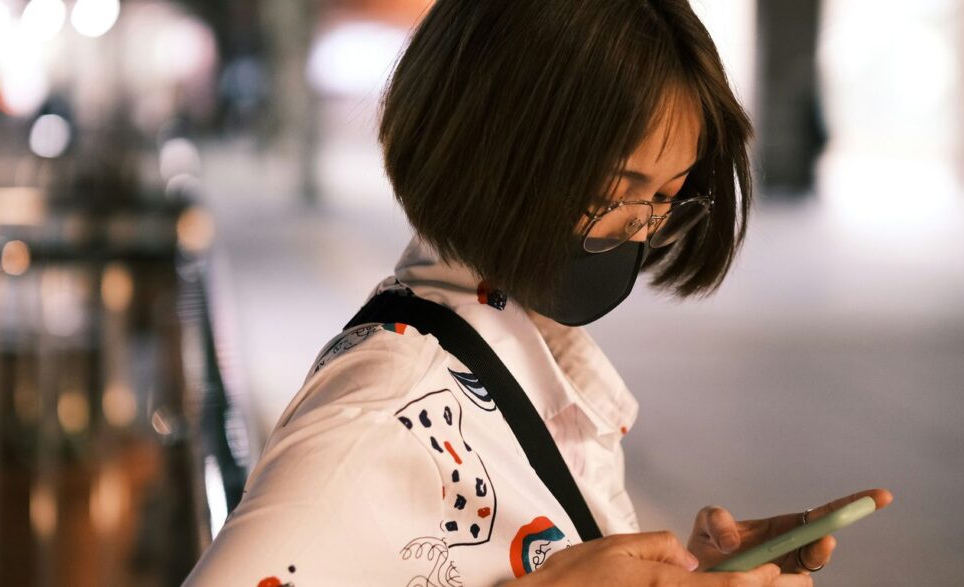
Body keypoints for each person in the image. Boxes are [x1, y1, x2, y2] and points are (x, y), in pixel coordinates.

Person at [183, 1, 892, 585]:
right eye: (618, 192)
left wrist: (685, 572)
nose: (637, 233)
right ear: (495, 150)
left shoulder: (522, 353)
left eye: (666, 199)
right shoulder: (380, 413)